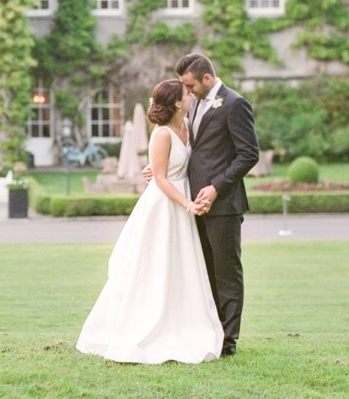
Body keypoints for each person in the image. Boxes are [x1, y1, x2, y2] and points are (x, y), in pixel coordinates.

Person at [76, 78, 224, 365]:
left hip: (182, 201)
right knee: (154, 266)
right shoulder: (162, 134)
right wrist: (187, 204)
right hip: (164, 206)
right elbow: (159, 179)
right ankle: (141, 326)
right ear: (178, 103)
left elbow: (181, 163)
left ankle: (184, 322)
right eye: (186, 94)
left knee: (181, 266)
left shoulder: (187, 126)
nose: (192, 96)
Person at [143, 52, 259, 358]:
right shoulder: (191, 108)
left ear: (207, 79)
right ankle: (208, 332)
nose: (188, 91)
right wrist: (159, 168)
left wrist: (217, 187)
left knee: (226, 272)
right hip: (191, 204)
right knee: (202, 272)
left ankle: (227, 343)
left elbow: (248, 154)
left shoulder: (235, 104)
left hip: (223, 205)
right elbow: (192, 150)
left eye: (190, 85)